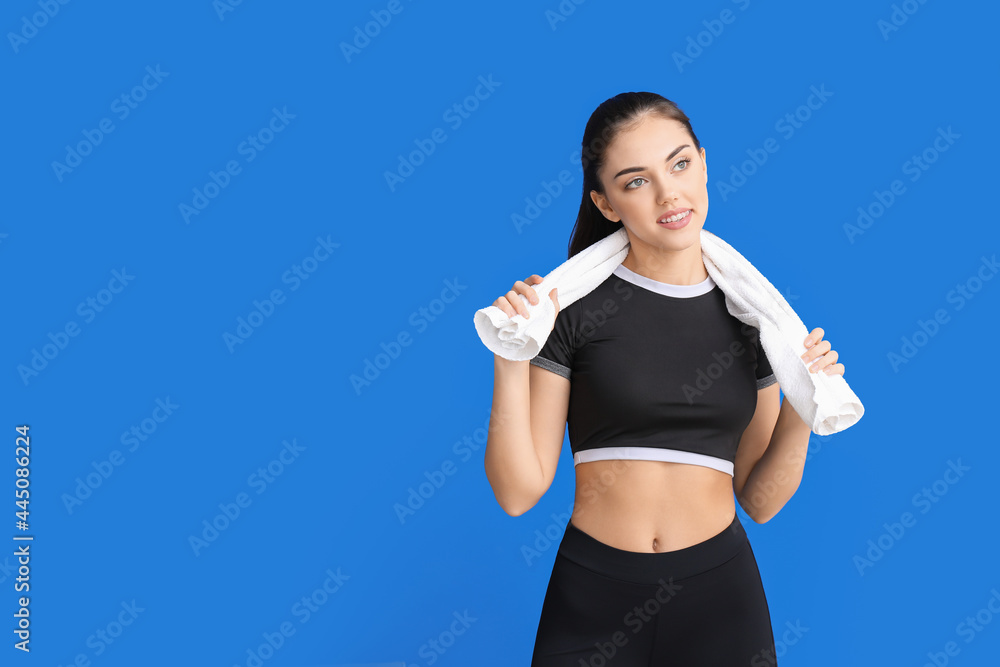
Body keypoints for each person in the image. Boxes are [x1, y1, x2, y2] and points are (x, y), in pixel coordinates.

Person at [483, 92, 846, 665]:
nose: (668, 193)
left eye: (679, 164)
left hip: (720, 598)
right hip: (593, 593)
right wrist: (508, 353)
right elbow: (518, 491)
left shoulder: (758, 320)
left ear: (704, 161)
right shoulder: (570, 311)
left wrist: (806, 402)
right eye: (635, 181)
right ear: (605, 203)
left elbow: (761, 500)